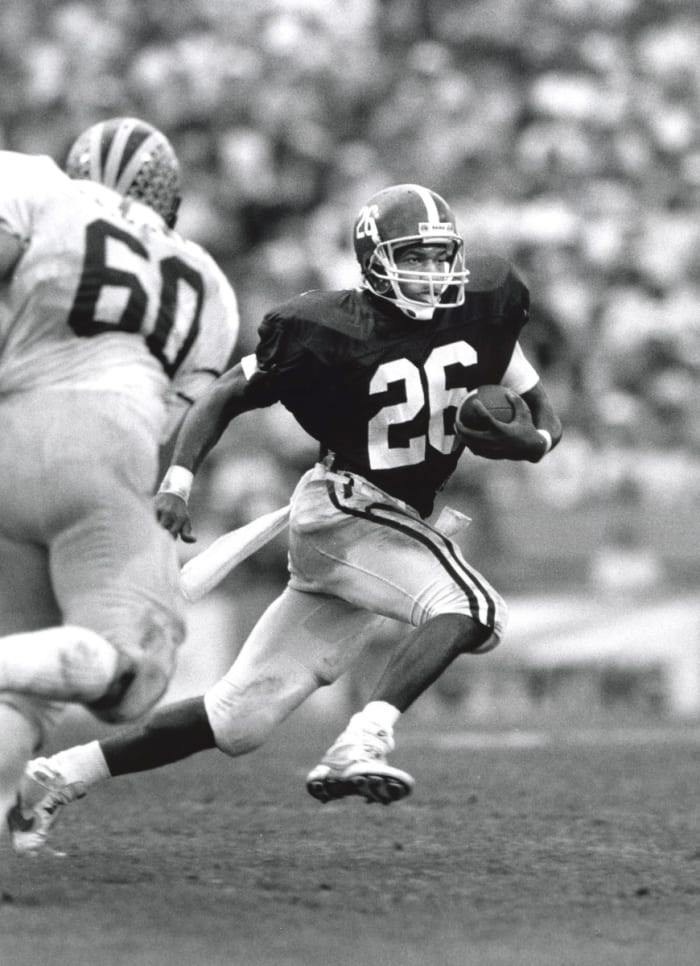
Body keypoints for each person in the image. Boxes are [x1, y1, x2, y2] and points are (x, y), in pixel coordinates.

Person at [13, 182, 561, 851]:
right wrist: (179, 482)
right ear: (373, 261)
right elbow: (224, 396)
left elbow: (542, 414)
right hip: (344, 508)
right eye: (413, 257)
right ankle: (363, 739)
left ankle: (59, 773)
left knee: (239, 718)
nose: (432, 272)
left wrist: (533, 443)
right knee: (472, 606)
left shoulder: (483, 306)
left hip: (387, 526)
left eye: (441, 256)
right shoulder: (321, 330)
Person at [0, 117, 239, 843]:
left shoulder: (34, 183)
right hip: (103, 452)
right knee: (134, 674)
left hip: (8, 435)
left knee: (26, 688)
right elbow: (169, 416)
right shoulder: (208, 283)